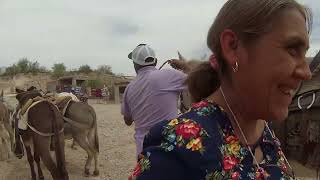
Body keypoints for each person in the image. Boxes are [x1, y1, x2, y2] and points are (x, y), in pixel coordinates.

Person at [128, 0, 312, 179]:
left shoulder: (264, 129)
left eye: (303, 54)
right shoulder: (177, 149)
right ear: (233, 47)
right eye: (292, 49)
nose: (306, 73)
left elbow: (128, 119)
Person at [121, 44, 188, 157]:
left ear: (135, 65)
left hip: (144, 152)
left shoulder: (129, 88)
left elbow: (127, 121)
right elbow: (199, 78)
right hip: (170, 149)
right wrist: (185, 65)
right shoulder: (170, 75)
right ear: (156, 61)